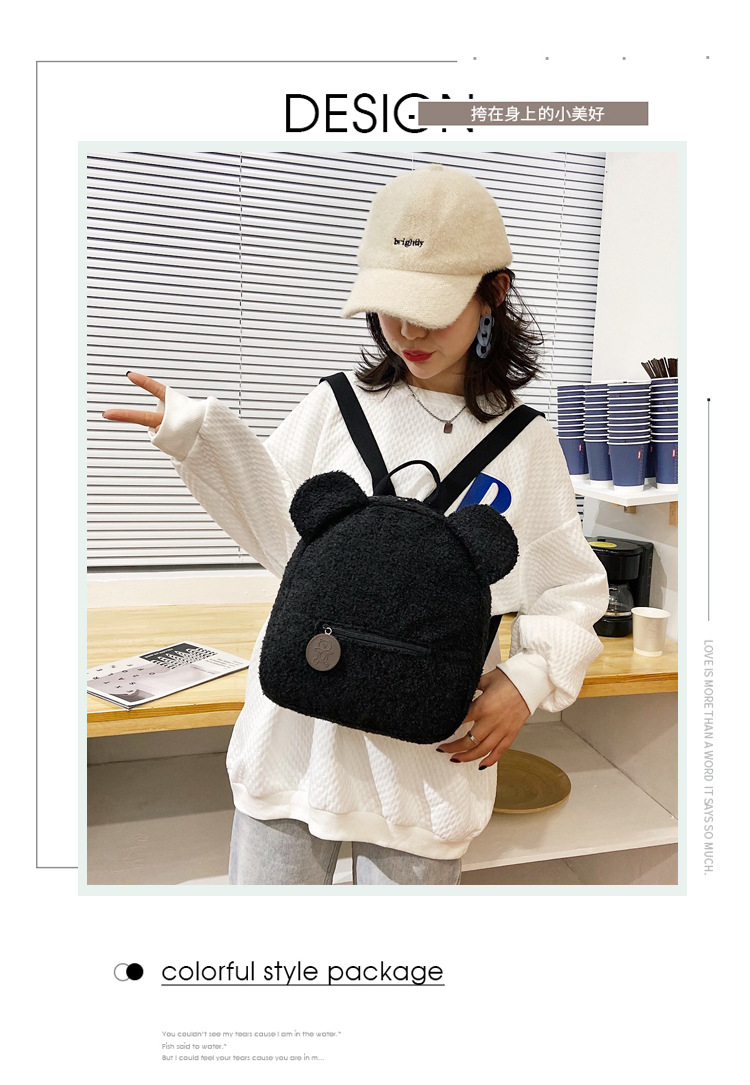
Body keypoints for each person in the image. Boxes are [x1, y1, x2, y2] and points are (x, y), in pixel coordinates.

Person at [102, 164, 608, 886]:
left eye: (433, 307)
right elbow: (280, 530)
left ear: (494, 291)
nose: (408, 330)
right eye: (390, 306)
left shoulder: (525, 444)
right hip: (294, 745)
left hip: (424, 769)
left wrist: (528, 679)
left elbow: (568, 587)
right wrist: (198, 437)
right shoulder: (334, 408)